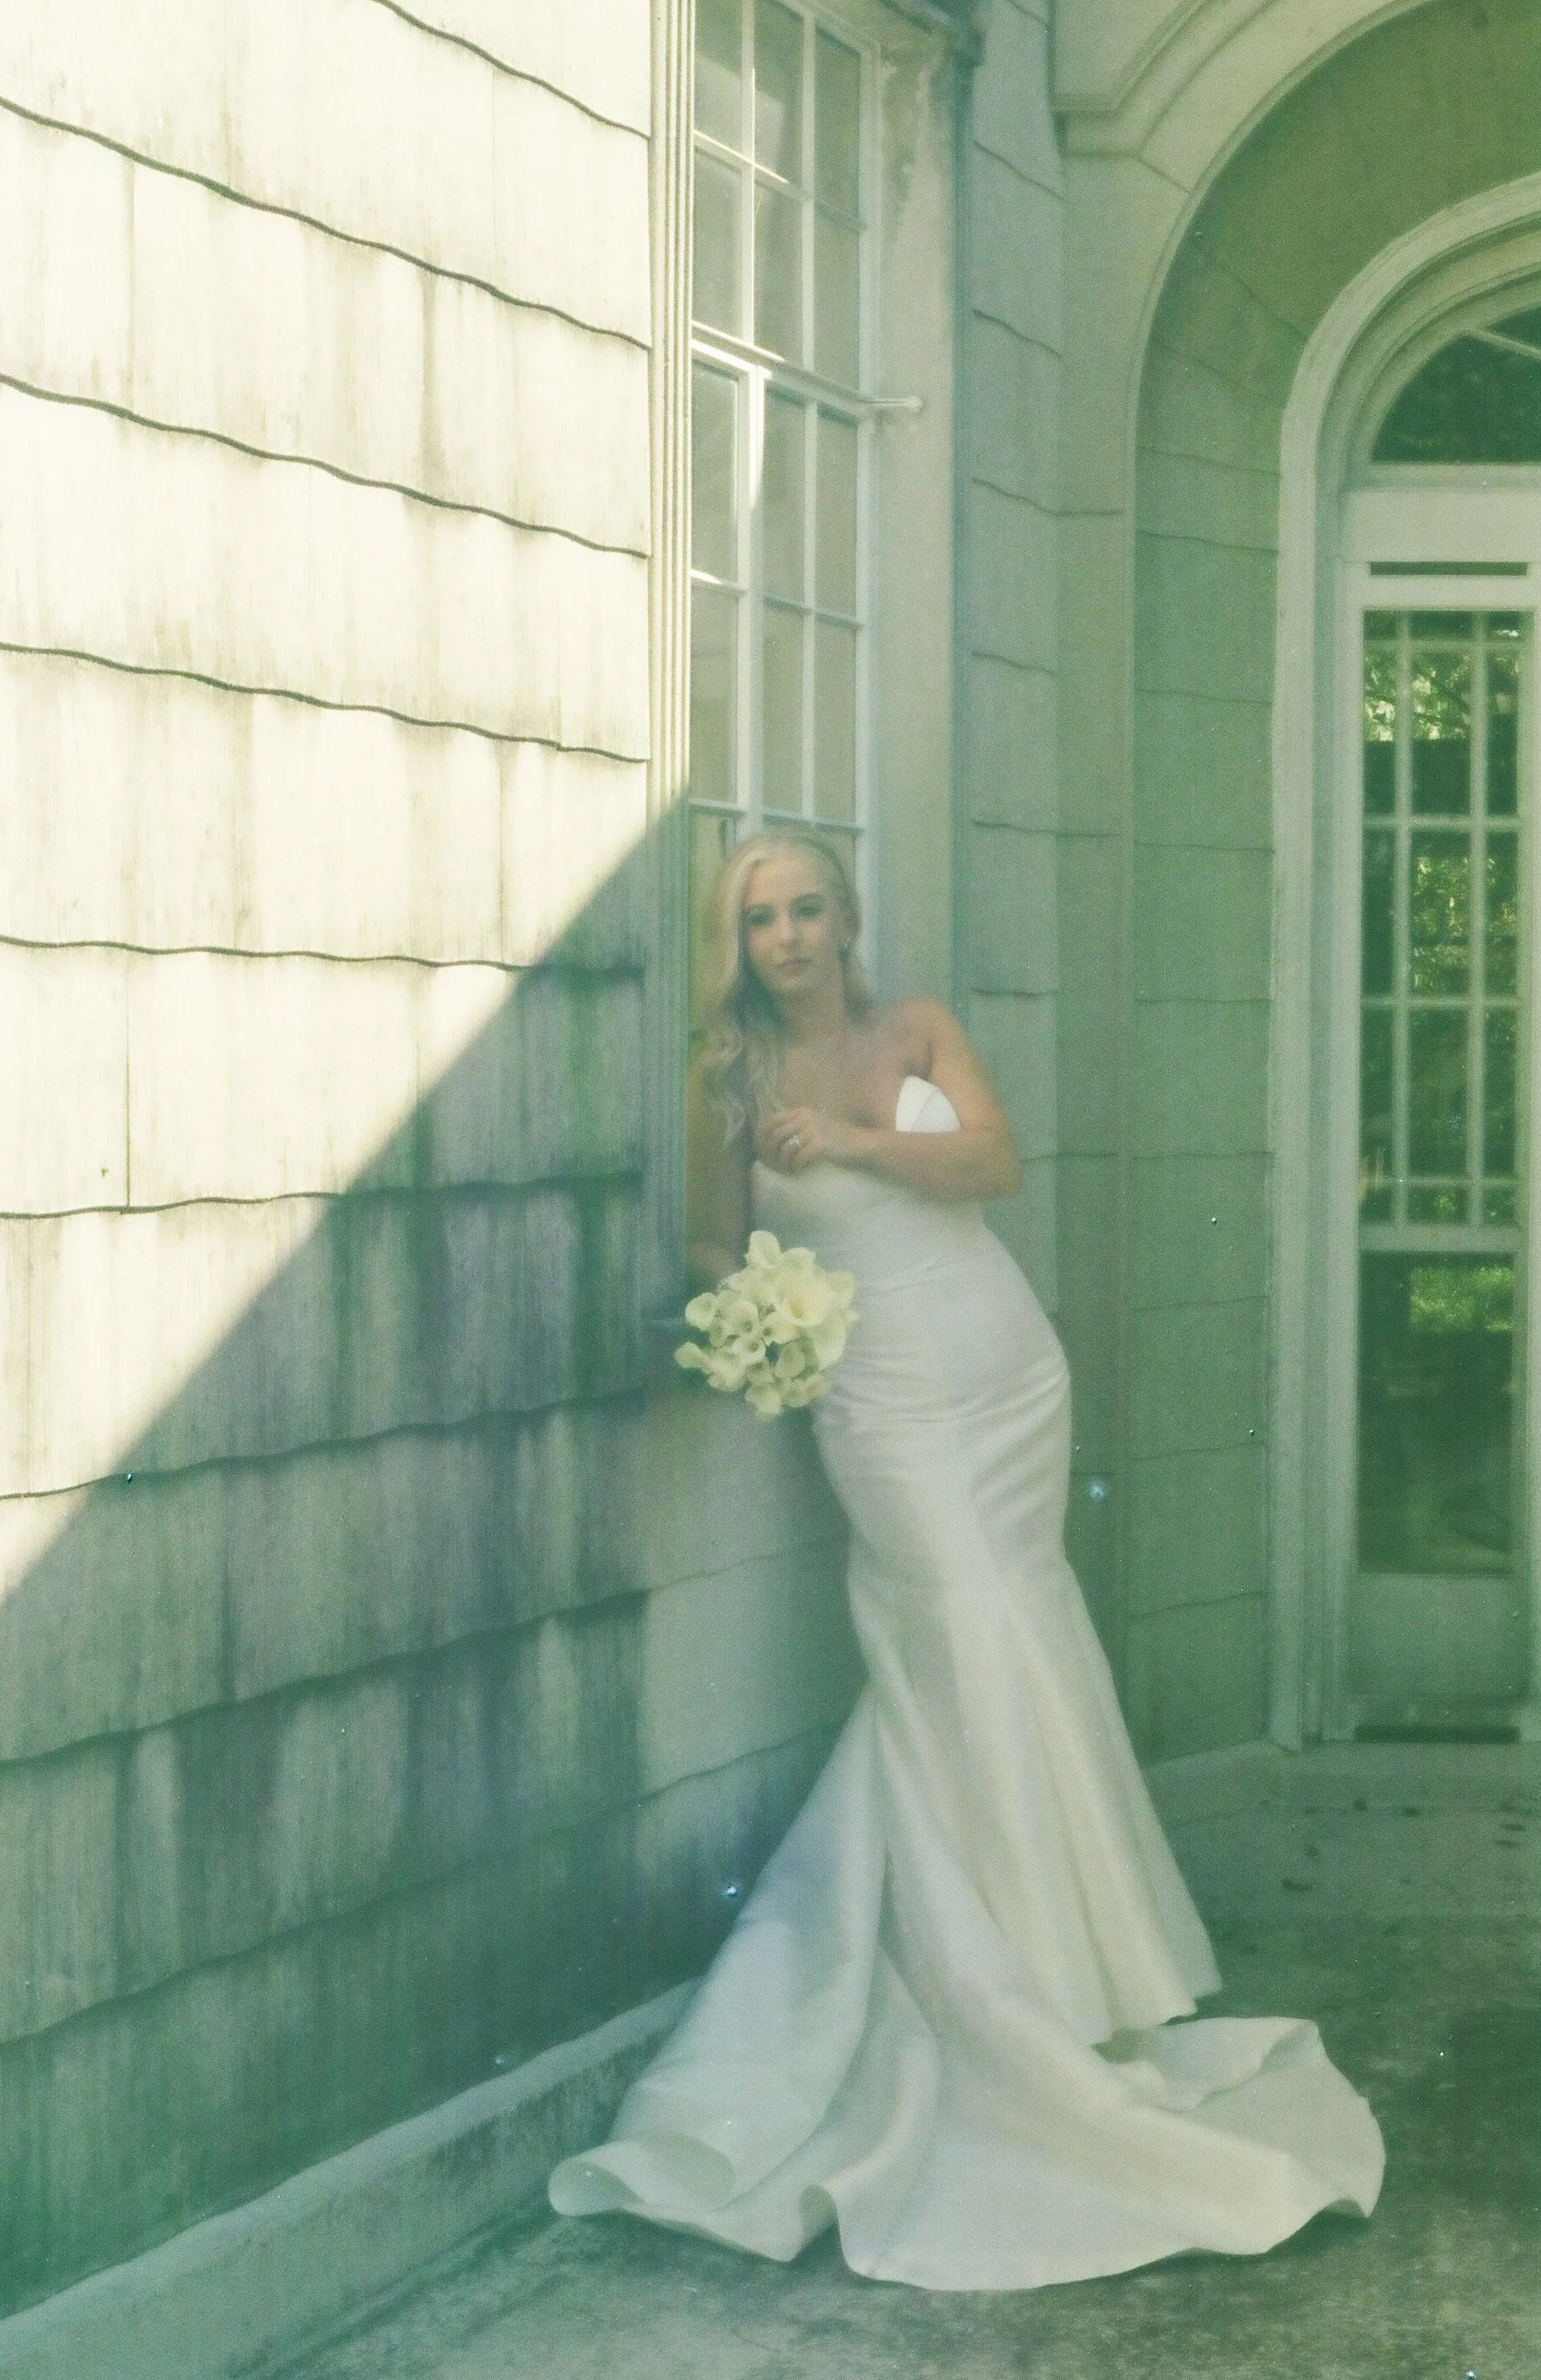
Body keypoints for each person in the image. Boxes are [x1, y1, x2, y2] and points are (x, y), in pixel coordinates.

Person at [550, 826, 1383, 2289]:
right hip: (879, 1396)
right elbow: (704, 1244)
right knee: (962, 1632)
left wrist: (859, 1143)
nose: (789, 937)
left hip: (1002, 1370)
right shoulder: (724, 1080)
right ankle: (1006, 1984)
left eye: (808, 908)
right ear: (733, 944)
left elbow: (992, 1162)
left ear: (849, 916)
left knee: (1018, 1628)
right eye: (760, 920)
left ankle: (1070, 1968)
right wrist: (764, 1317)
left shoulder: (916, 1028)